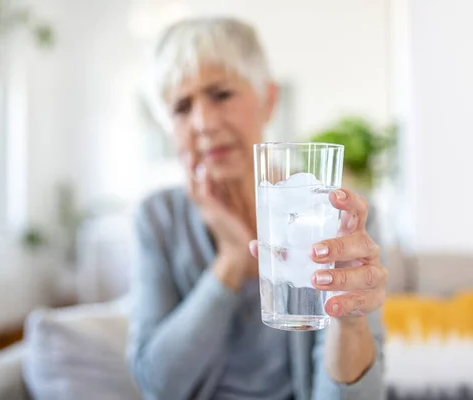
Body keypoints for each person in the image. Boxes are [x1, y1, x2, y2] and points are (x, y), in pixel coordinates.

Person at [128, 17, 388, 400]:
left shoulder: (338, 214)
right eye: (182, 107)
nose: (203, 122)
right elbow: (156, 385)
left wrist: (349, 325)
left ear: (268, 100)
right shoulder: (158, 218)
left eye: (220, 94)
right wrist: (231, 260)